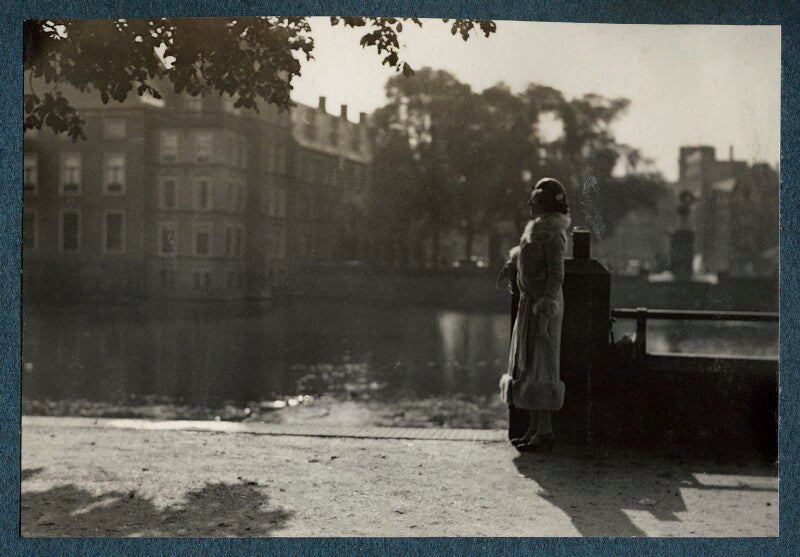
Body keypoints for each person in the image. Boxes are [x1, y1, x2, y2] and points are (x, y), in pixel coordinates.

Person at [499, 177, 570, 452]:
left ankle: (545, 431)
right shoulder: (538, 229)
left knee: (543, 364)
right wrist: (514, 261)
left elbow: (557, 274)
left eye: (536, 200)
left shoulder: (554, 233)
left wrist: (547, 304)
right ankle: (533, 427)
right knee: (528, 363)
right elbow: (530, 257)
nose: (531, 204)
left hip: (543, 308)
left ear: (545, 203)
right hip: (531, 304)